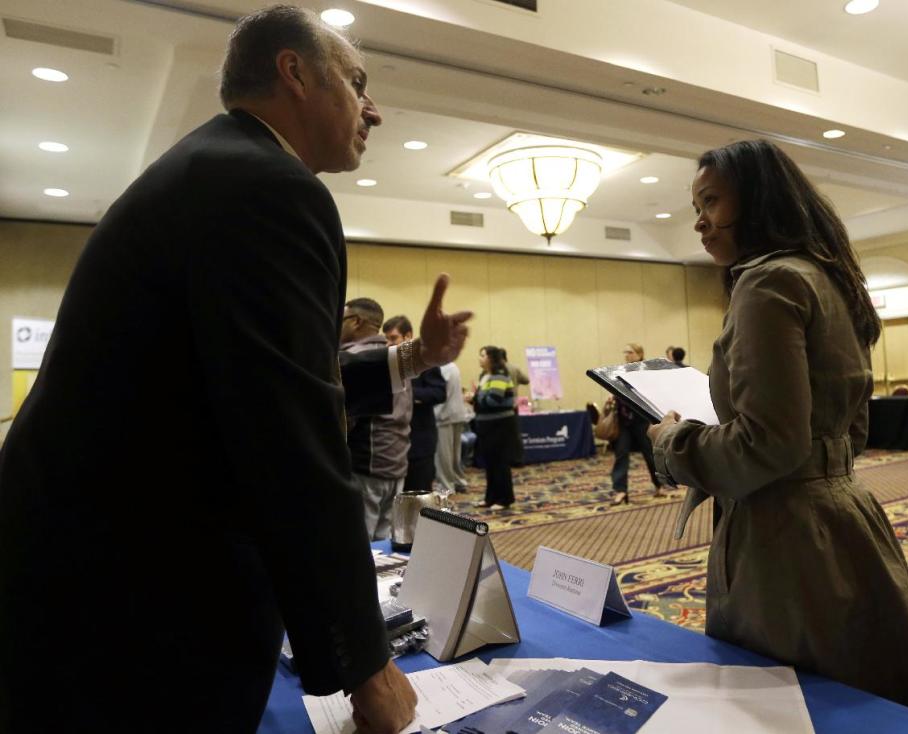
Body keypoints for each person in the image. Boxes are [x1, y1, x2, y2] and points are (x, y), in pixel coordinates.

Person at [0, 7, 473, 733]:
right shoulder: (269, 187)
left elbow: (248, 377)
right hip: (132, 599)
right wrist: (365, 662)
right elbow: (289, 437)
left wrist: (411, 358)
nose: (373, 109)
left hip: (78, 574)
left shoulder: (217, 168)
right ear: (295, 73)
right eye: (357, 83)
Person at [648, 139, 908, 722]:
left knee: (793, 709)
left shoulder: (766, 283)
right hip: (846, 517)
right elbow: (850, 428)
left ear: (758, 200)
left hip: (782, 539)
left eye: (710, 201)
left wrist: (671, 443)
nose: (698, 222)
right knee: (867, 699)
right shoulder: (829, 279)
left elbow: (768, 442)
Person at [341, 300, 413, 540]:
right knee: (385, 543)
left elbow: (344, 420)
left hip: (367, 465)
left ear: (356, 322)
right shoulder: (396, 358)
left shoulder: (353, 358)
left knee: (359, 542)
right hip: (397, 461)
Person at [383, 315, 446, 493]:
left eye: (393, 338)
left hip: (420, 441)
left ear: (408, 336)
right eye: (386, 339)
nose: (389, 344)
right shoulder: (387, 362)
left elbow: (439, 392)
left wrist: (407, 395)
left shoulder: (425, 361)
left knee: (419, 497)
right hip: (393, 445)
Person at [609, 343, 662, 505]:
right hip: (624, 421)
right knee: (621, 454)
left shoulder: (645, 372)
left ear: (639, 354)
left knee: (649, 454)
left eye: (630, 352)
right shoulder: (621, 371)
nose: (627, 355)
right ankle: (620, 491)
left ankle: (660, 484)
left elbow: (649, 394)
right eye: (625, 352)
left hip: (641, 420)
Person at [472, 346, 522, 510]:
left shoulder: (500, 375)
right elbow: (483, 399)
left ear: (491, 359)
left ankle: (504, 499)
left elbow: (493, 400)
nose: (479, 358)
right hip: (486, 424)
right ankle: (490, 498)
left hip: (500, 425)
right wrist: (477, 398)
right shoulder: (484, 376)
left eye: (483, 355)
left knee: (500, 462)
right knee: (490, 463)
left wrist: (475, 397)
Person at [434, 361, 470, 495]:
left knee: (444, 455)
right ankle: (458, 481)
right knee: (455, 454)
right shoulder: (452, 366)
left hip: (444, 416)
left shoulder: (440, 368)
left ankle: (446, 486)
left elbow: (442, 394)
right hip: (457, 414)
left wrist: (434, 415)